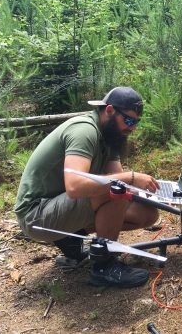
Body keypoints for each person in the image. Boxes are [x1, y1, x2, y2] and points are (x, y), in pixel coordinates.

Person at [15, 86, 161, 288]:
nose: (132, 127)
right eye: (128, 120)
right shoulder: (85, 131)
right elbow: (75, 186)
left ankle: (70, 239)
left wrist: (150, 194)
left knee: (146, 213)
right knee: (117, 190)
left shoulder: (110, 134)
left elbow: (115, 174)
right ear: (109, 110)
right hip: (35, 216)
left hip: (59, 206)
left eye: (136, 122)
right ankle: (104, 266)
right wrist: (131, 177)